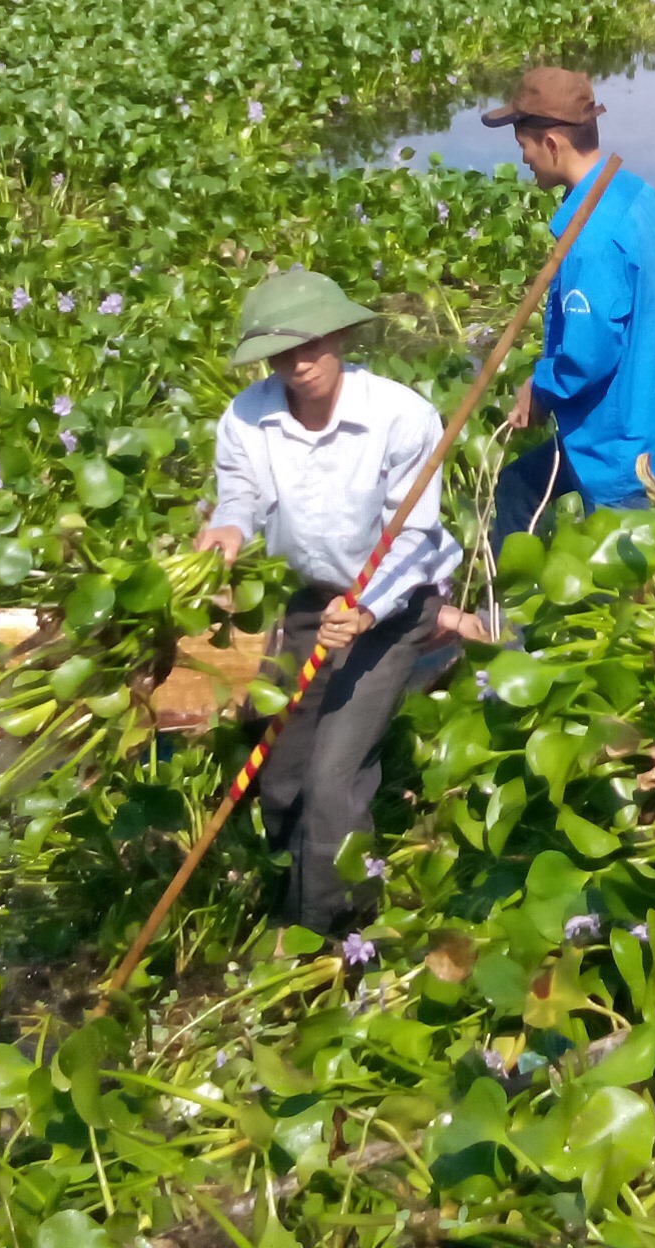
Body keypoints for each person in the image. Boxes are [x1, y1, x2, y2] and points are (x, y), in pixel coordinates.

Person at [195, 268, 482, 932]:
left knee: (333, 782)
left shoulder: (400, 416)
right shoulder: (247, 417)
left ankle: (338, 939)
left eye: (312, 344)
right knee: (283, 777)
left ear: (342, 337)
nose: (299, 363)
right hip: (311, 604)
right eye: (282, 352)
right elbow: (241, 494)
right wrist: (229, 530)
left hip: (392, 609)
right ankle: (285, 907)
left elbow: (412, 536)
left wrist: (367, 608)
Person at [483, 68, 655, 547]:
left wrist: (540, 389)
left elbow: (589, 355)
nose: (524, 161)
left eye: (525, 147)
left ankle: (517, 620)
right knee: (519, 487)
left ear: (553, 144)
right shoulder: (634, 191)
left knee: (628, 595)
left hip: (622, 451)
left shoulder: (592, 237)